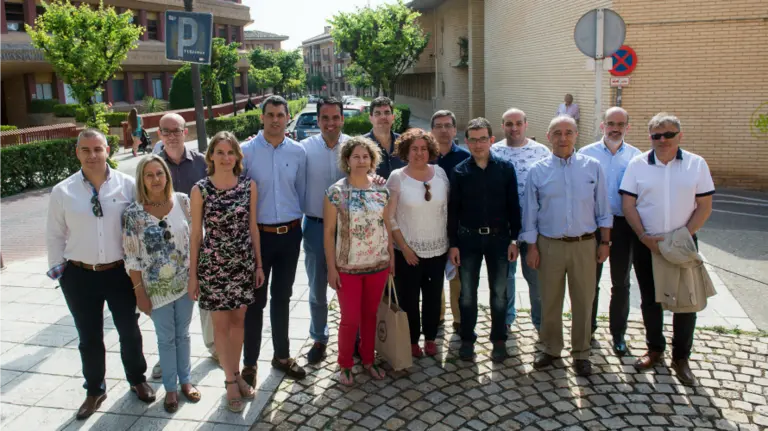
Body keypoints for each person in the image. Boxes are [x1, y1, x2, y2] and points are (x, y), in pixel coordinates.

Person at [46, 129, 154, 420]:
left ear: (107, 150)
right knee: (89, 336)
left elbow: (140, 226)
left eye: (97, 149)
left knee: (129, 330)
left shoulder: (127, 185)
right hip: (79, 275)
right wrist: (60, 272)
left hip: (119, 273)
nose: (92, 155)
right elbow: (55, 234)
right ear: (77, 152)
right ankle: (94, 389)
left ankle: (137, 379)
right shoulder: (63, 191)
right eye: (86, 150)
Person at [620, 112, 715, 386]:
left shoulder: (696, 164)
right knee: (650, 300)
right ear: (650, 137)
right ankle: (655, 349)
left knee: (685, 303)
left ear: (679, 136)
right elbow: (628, 205)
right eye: (656, 135)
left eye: (668, 134)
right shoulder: (638, 164)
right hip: (647, 243)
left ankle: (681, 357)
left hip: (683, 243)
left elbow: (704, 206)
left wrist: (682, 236)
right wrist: (642, 235)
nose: (662, 140)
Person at [524, 115, 612, 377]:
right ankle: (551, 348)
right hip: (549, 244)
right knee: (549, 299)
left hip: (585, 244)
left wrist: (605, 242)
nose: (563, 138)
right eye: (557, 133)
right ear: (549, 136)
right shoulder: (537, 170)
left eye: (568, 132)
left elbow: (603, 209)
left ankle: (582, 352)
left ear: (576, 135)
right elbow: (530, 212)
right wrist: (532, 247)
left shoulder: (592, 167)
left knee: (584, 300)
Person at [189, 131, 265, 412]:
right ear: (210, 156)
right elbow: (196, 235)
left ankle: (234, 373)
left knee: (238, 323)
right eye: (219, 152)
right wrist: (193, 275)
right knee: (221, 326)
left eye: (230, 152)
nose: (225, 157)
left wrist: (258, 264)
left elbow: (253, 228)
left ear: (237, 157)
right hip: (213, 266)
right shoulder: (200, 189)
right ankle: (230, 381)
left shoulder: (248, 186)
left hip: (242, 264)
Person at [122, 155, 202, 413]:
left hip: (184, 282)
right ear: (141, 180)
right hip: (155, 289)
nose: (156, 179)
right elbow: (132, 258)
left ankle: (186, 381)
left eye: (160, 173)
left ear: (166, 175)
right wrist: (139, 293)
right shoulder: (133, 214)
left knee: (184, 334)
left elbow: (194, 242)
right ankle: (169, 387)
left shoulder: (182, 201)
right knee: (166, 338)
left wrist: (195, 278)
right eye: (149, 175)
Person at [241, 95, 308, 383]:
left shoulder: (297, 152)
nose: (275, 119)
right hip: (258, 237)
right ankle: (250, 363)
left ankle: (282, 355)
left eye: (281, 115)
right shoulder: (245, 152)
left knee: (283, 297)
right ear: (262, 117)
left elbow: (301, 192)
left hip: (290, 235)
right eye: (270, 114)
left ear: (287, 117)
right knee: (255, 301)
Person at [147, 113, 214, 381]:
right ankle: (168, 358)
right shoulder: (152, 165)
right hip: (165, 250)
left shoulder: (201, 162)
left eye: (176, 130)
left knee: (207, 301)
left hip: (201, 242)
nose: (172, 135)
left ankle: (215, 348)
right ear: (159, 134)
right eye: (166, 131)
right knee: (167, 305)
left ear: (185, 132)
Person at [448, 118, 521, 363]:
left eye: (483, 139)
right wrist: (453, 244)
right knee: (467, 293)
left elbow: (514, 206)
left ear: (491, 140)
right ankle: (467, 338)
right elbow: (453, 211)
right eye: (473, 139)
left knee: (499, 293)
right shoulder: (459, 172)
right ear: (466, 141)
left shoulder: (505, 169)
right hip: (468, 239)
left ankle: (499, 339)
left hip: (499, 239)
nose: (478, 144)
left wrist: (515, 240)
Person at [323, 136, 394, 385]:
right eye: (356, 156)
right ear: (347, 160)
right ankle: (344, 364)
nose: (361, 161)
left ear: (372, 160)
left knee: (370, 316)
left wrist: (391, 260)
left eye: (366, 156)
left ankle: (368, 360)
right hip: (348, 268)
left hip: (378, 265)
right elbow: (328, 233)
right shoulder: (335, 193)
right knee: (350, 319)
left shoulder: (382, 190)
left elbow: (387, 226)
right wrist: (331, 268)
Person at [578, 107, 641, 356]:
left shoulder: (637, 157)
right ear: (602, 125)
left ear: (628, 127)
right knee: (589, 282)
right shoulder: (586, 154)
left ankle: (618, 333)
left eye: (621, 124)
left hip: (624, 226)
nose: (615, 128)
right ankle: (588, 328)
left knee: (621, 282)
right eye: (611, 123)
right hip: (593, 227)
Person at [388, 129, 450, 357]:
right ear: (406, 150)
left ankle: (431, 337)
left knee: (434, 297)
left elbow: (447, 210)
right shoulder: (397, 177)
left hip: (438, 249)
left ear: (431, 150)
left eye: (424, 148)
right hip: (408, 252)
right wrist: (404, 248)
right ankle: (412, 340)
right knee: (410, 298)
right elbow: (389, 216)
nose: (419, 153)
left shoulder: (441, 173)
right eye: (414, 148)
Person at [491, 108, 551, 333]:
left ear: (526, 124)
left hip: (534, 229)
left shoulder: (541, 151)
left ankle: (541, 324)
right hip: (503, 230)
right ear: (503, 125)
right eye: (508, 123)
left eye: (518, 123)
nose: (513, 128)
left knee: (536, 281)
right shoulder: (493, 152)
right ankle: (506, 319)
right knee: (505, 279)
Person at [301, 97, 349, 364]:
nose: (330, 123)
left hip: (350, 230)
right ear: (318, 120)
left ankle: (351, 336)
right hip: (316, 227)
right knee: (317, 287)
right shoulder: (303, 149)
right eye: (325, 118)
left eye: (335, 118)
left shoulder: (354, 147)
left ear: (342, 119)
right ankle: (319, 337)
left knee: (349, 286)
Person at [430, 110, 470, 332]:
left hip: (458, 226)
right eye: (439, 126)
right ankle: (438, 315)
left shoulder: (465, 157)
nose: (443, 130)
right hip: (431, 226)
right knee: (435, 276)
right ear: (432, 130)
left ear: (455, 129)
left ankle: (459, 319)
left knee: (458, 276)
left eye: (448, 125)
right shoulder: (423, 156)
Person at [364, 96, 403, 179]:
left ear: (393, 117)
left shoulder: (404, 143)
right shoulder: (361, 145)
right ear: (370, 118)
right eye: (377, 113)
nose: (383, 117)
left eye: (387, 113)